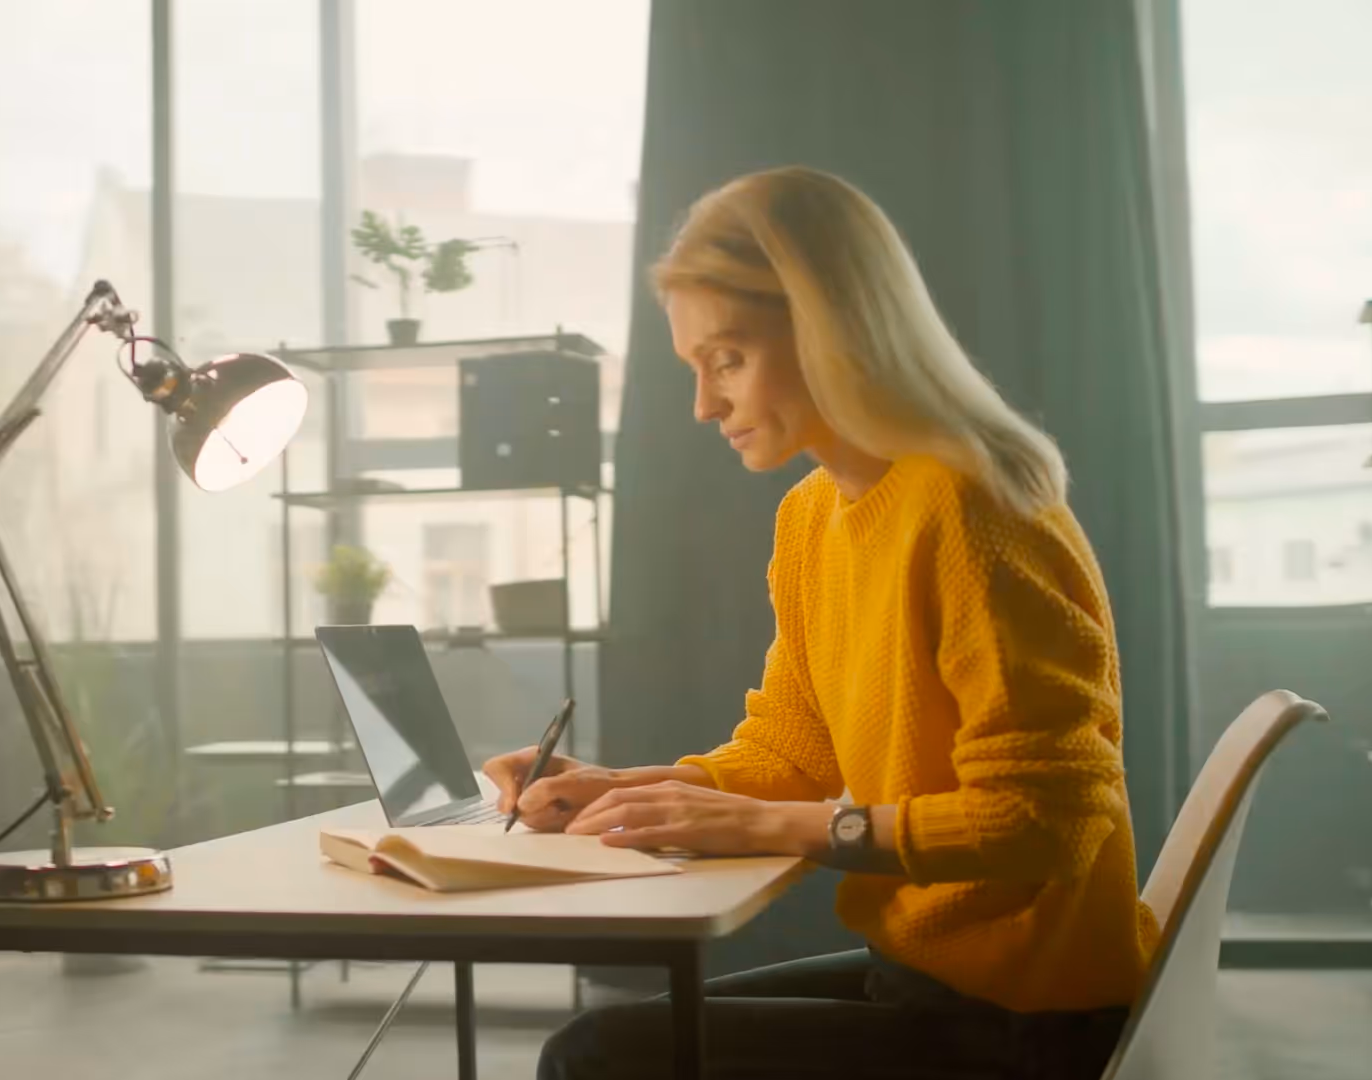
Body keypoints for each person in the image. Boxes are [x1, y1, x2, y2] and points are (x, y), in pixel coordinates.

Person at [485, 166, 1158, 1080]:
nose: (704, 405)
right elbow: (794, 753)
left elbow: (1047, 820)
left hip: (1027, 1021)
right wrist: (620, 787)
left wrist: (782, 829)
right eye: (694, 368)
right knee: (625, 1041)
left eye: (727, 360)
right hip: (922, 975)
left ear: (828, 326)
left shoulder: (969, 508)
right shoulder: (814, 515)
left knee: (597, 1058)